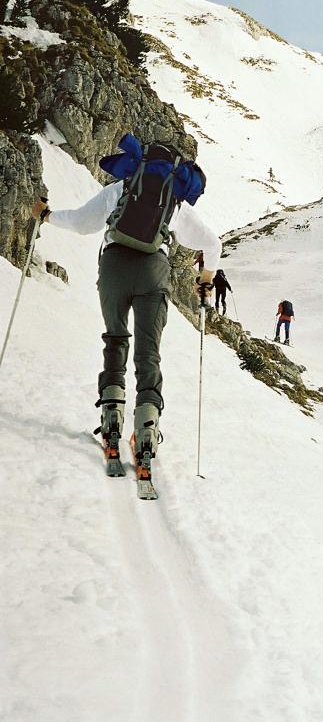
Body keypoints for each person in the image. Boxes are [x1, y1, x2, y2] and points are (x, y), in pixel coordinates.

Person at [31, 134, 221, 484]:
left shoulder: (120, 189)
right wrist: (206, 278)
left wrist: (47, 216)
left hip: (115, 266)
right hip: (153, 270)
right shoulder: (175, 202)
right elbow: (213, 242)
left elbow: (82, 222)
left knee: (115, 338)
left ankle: (112, 418)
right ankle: (146, 432)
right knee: (148, 354)